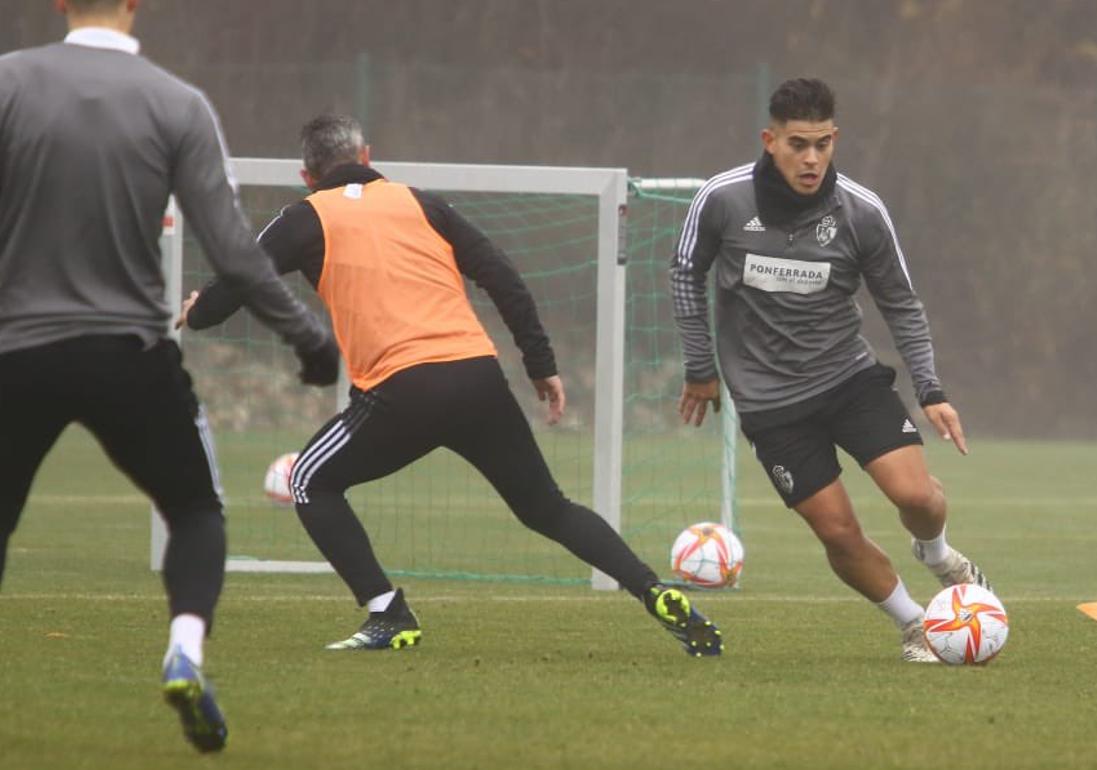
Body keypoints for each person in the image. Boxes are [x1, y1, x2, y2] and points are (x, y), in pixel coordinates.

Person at [179, 113, 722, 658]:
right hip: (478, 378)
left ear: (306, 175)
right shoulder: (422, 203)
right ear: (367, 157)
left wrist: (198, 308)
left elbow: (237, 283)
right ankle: (652, 590)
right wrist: (540, 364)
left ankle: (386, 612)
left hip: (402, 390)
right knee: (547, 508)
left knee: (309, 480)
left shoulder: (303, 217)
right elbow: (501, 274)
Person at [0, 0, 338, 752]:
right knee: (195, 510)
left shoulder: (9, 85)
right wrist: (307, 334)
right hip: (129, 354)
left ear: (60, 3)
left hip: (17, 353)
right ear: (134, 3)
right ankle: (184, 646)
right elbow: (234, 251)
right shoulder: (176, 103)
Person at [670, 77, 992, 663]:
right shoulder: (722, 198)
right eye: (797, 144)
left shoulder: (861, 212)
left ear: (835, 139)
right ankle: (917, 626)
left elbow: (900, 302)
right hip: (771, 407)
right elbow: (685, 272)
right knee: (837, 532)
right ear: (770, 140)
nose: (811, 158)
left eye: (822, 144)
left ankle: (938, 555)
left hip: (847, 379)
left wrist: (931, 389)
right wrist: (700, 367)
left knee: (917, 496)